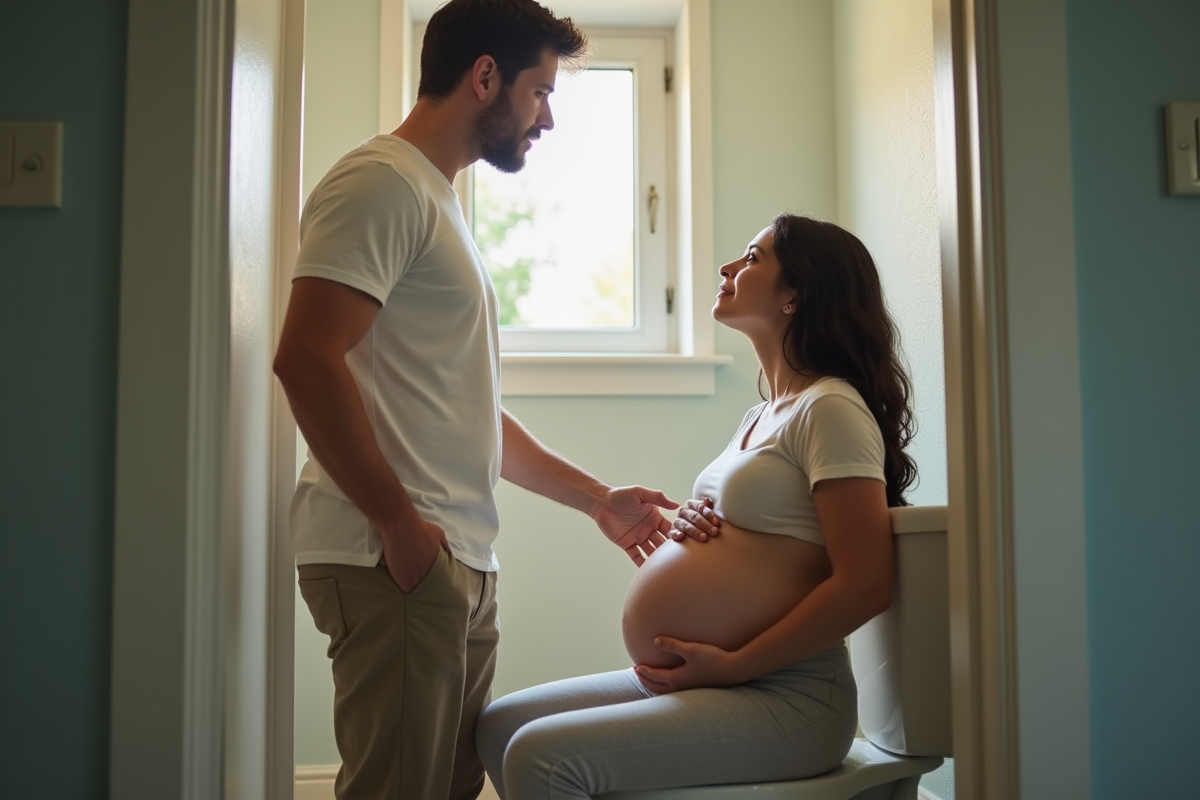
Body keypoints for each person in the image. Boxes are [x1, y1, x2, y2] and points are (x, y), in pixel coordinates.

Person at [272, 2, 681, 798]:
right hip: (393, 553)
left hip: (450, 557)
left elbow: (465, 409)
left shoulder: (436, 200)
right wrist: (398, 525)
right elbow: (305, 359)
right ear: (485, 76)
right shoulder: (381, 184)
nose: (548, 118)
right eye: (540, 92)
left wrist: (596, 500)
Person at [475, 213, 919, 799]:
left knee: (541, 757)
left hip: (788, 695)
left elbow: (866, 583)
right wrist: (695, 524)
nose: (728, 267)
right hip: (716, 681)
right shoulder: (761, 415)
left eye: (753, 258)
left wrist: (736, 664)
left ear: (795, 296)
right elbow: (771, 538)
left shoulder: (830, 408)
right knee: (500, 727)